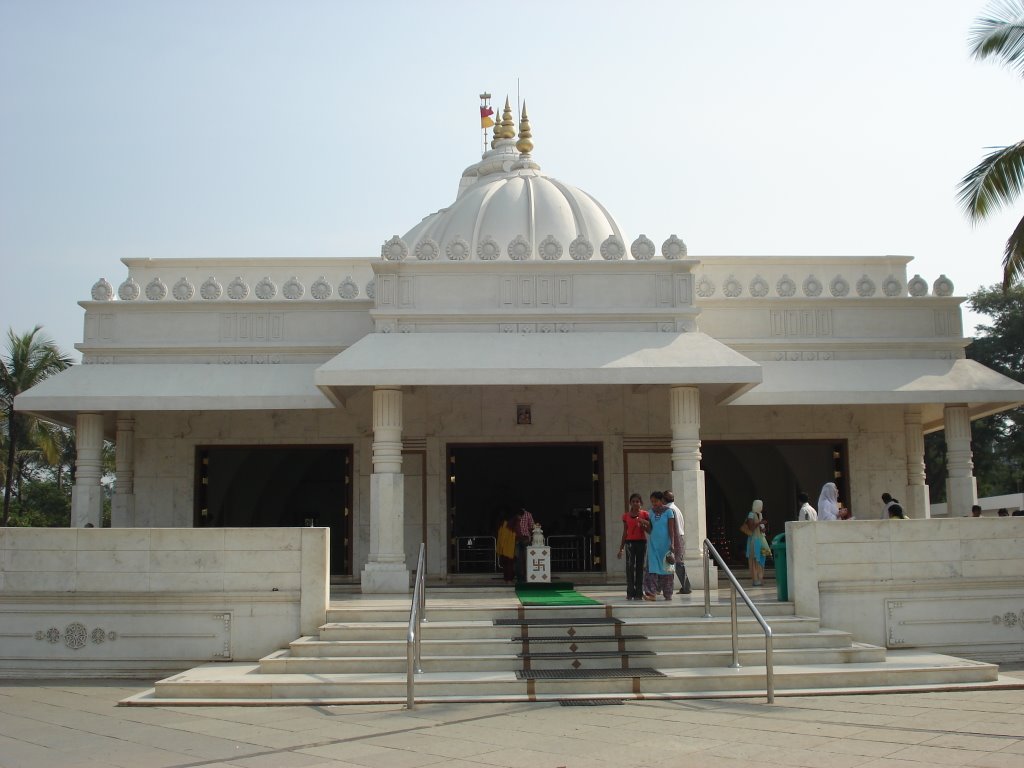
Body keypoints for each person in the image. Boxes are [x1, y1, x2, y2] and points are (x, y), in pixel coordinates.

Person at [642, 491, 680, 601]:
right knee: (652, 569)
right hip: (653, 544)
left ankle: (668, 594)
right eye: (652, 501)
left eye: (656, 501)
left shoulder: (669, 512)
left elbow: (671, 529)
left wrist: (672, 544)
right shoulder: (651, 512)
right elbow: (650, 530)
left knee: (667, 570)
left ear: (662, 500)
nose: (654, 503)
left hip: (665, 545)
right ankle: (651, 593)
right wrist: (644, 525)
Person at [617, 493, 650, 600]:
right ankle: (630, 592)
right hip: (629, 543)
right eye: (633, 501)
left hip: (641, 542)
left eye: (637, 501)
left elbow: (650, 529)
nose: (635, 503)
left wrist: (643, 524)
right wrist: (621, 548)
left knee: (640, 567)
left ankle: (639, 592)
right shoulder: (625, 516)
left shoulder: (645, 514)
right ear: (630, 503)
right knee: (629, 566)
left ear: (641, 503)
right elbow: (625, 532)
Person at [663, 489, 691, 594]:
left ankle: (684, 587)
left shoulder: (668, 510)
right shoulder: (676, 509)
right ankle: (685, 586)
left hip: (674, 538)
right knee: (678, 563)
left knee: (673, 563)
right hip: (680, 537)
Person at [743, 499, 769, 586]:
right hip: (754, 540)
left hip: (761, 539)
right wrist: (759, 523)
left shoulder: (760, 514)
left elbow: (761, 529)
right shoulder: (751, 514)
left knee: (762, 557)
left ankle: (760, 578)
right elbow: (751, 528)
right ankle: (755, 579)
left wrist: (763, 527)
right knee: (754, 559)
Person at [514, 507, 535, 581]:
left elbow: (532, 526)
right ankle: (524, 577)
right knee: (525, 558)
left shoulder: (516, 514)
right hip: (524, 538)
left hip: (519, 539)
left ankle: (521, 577)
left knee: (519, 558)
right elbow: (532, 526)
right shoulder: (528, 514)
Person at [496, 510, 517, 583]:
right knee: (510, 564)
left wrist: (500, 548)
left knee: (506, 565)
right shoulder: (511, 526)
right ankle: (509, 579)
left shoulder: (502, 525)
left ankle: (506, 579)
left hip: (504, 549)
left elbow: (501, 538)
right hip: (510, 549)